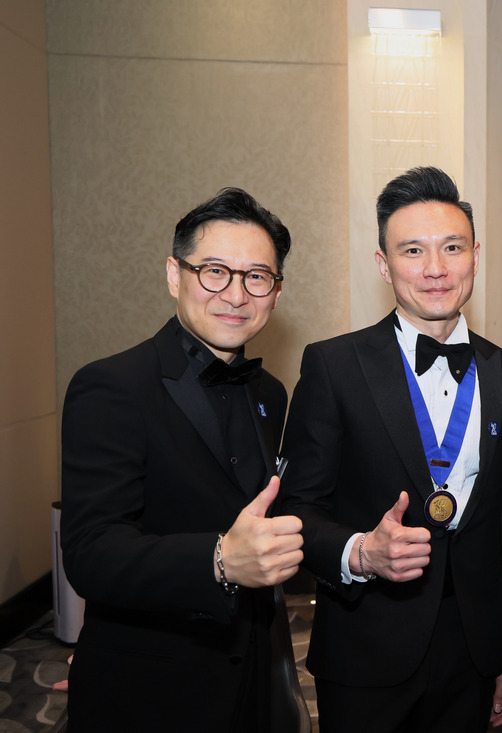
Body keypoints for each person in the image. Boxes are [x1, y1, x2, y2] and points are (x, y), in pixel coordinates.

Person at [279, 166, 502, 732]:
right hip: (365, 649)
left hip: (475, 653)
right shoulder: (334, 366)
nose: (435, 268)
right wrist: (361, 551)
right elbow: (295, 510)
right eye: (413, 250)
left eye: (452, 248)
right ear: (384, 264)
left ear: (475, 257)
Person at [61, 187, 303, 732]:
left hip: (256, 677)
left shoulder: (271, 392)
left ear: (276, 292)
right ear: (175, 275)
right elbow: (90, 552)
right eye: (214, 271)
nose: (236, 294)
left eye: (257, 276)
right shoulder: (112, 385)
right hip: (152, 689)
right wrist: (219, 560)